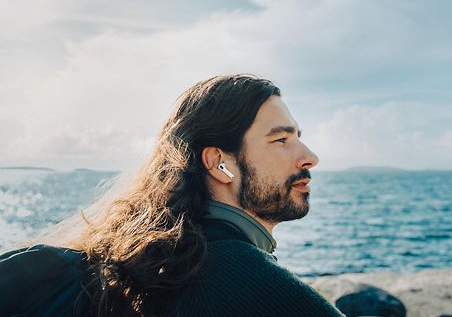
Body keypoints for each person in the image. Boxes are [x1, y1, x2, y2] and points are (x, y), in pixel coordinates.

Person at [0, 74, 345, 316]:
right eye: (281, 140)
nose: (309, 156)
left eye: (298, 136)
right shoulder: (238, 276)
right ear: (219, 163)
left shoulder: (155, 265)